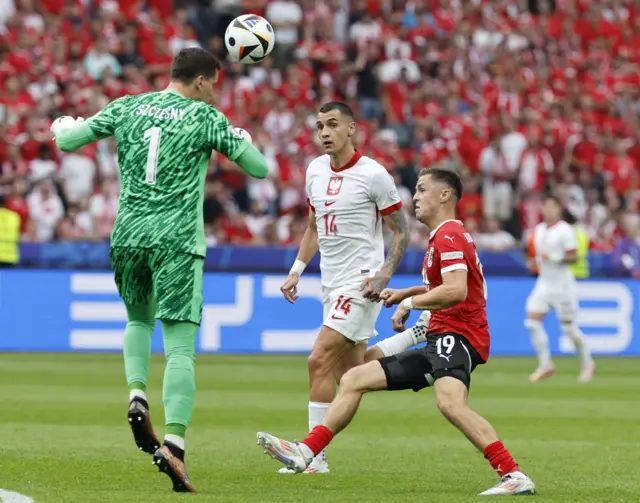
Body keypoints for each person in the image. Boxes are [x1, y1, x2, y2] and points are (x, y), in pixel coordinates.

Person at [51, 47, 269, 493]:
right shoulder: (206, 117)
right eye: (215, 84)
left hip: (128, 234)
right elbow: (260, 169)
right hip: (177, 241)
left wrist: (63, 127)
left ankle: (136, 393)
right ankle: (175, 444)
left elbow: (69, 141)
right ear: (203, 81)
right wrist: (240, 136)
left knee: (137, 319)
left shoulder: (127, 105)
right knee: (179, 348)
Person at [258, 167, 536, 496]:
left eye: (421, 190)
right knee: (353, 378)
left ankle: (512, 473)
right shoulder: (444, 237)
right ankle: (307, 453)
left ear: (445, 195)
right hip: (439, 339)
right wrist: (406, 295)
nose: (414, 197)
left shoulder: (449, 235)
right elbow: (444, 285)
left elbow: (456, 290)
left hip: (456, 337)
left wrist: (411, 304)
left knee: (450, 404)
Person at [278, 101, 410, 474]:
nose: (324, 132)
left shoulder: (374, 175)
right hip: (330, 284)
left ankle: (312, 456)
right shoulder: (315, 170)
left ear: (351, 129)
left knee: (317, 360)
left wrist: (384, 274)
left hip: (361, 281)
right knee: (352, 374)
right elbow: (313, 226)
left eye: (332, 124)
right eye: (319, 125)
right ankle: (417, 334)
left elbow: (402, 229)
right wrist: (296, 270)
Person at [525, 196, 595, 383]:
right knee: (532, 322)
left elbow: (574, 257)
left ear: (559, 209)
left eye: (552, 206)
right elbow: (536, 255)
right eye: (546, 206)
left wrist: (555, 257)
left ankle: (588, 363)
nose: (548, 210)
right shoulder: (538, 230)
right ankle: (545, 364)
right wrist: (534, 262)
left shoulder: (565, 231)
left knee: (570, 330)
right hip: (544, 283)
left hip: (563, 286)